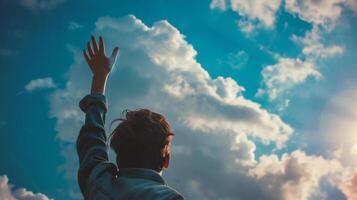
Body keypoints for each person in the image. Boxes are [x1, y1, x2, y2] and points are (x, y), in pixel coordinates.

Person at [76, 35, 184, 200]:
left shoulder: (99, 183)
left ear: (119, 157)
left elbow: (92, 138)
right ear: (166, 160)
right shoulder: (168, 198)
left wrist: (100, 75)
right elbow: (92, 140)